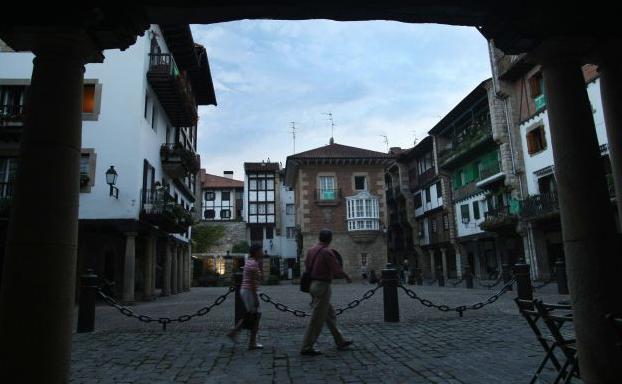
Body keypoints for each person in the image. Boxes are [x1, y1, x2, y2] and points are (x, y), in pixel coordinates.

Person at [300, 229, 353, 356]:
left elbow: (307, 266)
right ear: (330, 239)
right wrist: (346, 276)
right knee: (317, 318)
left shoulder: (311, 250)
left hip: (312, 285)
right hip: (322, 286)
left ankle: (340, 340)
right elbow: (336, 270)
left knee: (329, 315)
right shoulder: (327, 252)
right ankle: (307, 346)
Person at [227, 244, 264, 350]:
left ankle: (234, 333)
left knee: (250, 315)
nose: (262, 253)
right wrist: (256, 298)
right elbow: (253, 282)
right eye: (261, 250)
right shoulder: (253, 264)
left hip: (247, 291)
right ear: (256, 252)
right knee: (256, 317)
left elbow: (258, 278)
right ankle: (252, 342)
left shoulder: (250, 262)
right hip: (250, 292)